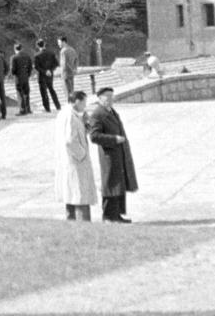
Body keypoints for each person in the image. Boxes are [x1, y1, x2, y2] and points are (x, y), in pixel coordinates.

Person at [86, 86, 138, 223]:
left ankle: (117, 215)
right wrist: (114, 139)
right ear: (100, 98)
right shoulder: (97, 114)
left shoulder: (111, 111)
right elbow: (94, 136)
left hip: (119, 153)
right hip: (109, 154)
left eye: (111, 97)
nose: (110, 99)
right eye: (107, 97)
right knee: (110, 185)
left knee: (118, 184)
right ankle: (108, 216)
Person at [54, 91, 97, 221]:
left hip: (70, 161)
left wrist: (86, 123)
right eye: (84, 102)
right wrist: (82, 155)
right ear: (77, 101)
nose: (85, 105)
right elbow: (70, 141)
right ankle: (84, 224)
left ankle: (72, 223)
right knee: (79, 195)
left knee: (72, 195)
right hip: (75, 161)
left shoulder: (70, 114)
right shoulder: (70, 116)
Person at [34, 39, 61, 112]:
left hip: (42, 76)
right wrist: (50, 70)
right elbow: (56, 64)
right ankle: (58, 105)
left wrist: (44, 71)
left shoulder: (37, 55)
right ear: (44, 44)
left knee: (44, 92)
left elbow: (37, 67)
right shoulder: (51, 53)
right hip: (50, 75)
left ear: (37, 46)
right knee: (52, 90)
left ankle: (47, 108)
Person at [10, 43, 33, 114]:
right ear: (21, 48)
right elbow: (30, 67)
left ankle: (22, 110)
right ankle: (28, 109)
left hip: (18, 77)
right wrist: (28, 74)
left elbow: (13, 69)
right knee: (26, 93)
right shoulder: (27, 56)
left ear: (15, 49)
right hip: (26, 76)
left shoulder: (14, 57)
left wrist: (13, 74)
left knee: (20, 93)